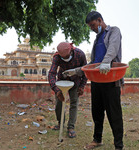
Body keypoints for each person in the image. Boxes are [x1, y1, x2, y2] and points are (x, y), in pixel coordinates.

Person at [83, 11, 124, 150]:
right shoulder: (97, 39)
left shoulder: (113, 31)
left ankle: (118, 145)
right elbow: (94, 61)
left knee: (114, 114)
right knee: (97, 112)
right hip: (97, 80)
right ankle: (97, 139)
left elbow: (113, 48)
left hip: (111, 79)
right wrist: (79, 70)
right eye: (90, 27)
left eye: (93, 25)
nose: (93, 29)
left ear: (100, 20)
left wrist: (106, 62)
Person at [48, 42, 87, 138]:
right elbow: (51, 74)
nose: (65, 59)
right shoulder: (56, 57)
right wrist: (57, 90)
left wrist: (82, 86)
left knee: (74, 103)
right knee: (59, 104)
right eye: (63, 58)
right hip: (62, 82)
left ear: (71, 51)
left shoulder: (80, 54)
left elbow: (85, 71)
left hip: (75, 82)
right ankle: (60, 123)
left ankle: (71, 127)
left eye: (66, 57)